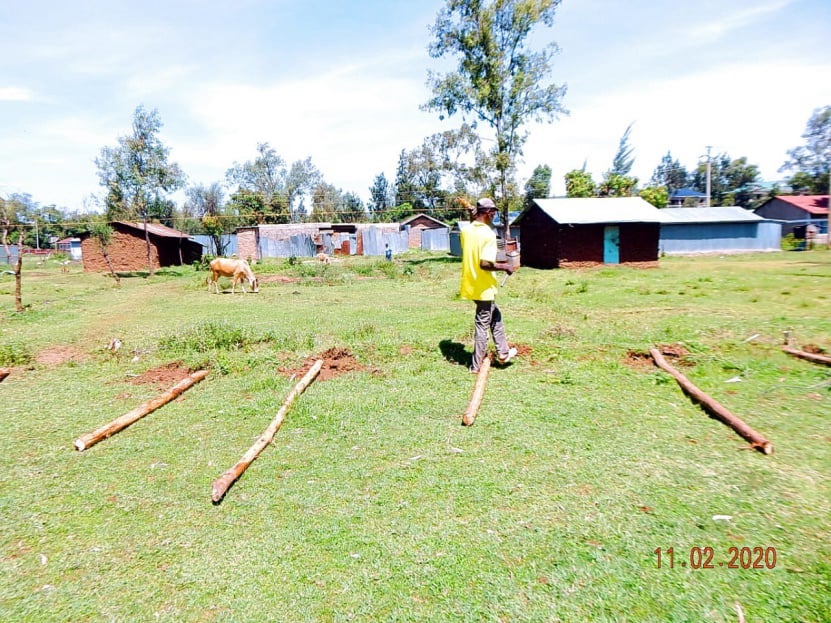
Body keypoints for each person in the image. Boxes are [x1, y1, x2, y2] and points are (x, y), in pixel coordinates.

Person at [459, 197, 518, 373]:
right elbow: (484, 263)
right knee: (482, 325)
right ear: (487, 212)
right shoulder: (488, 234)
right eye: (493, 212)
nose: (494, 215)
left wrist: (473, 216)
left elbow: (473, 231)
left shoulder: (466, 231)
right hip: (483, 287)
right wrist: (505, 266)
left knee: (495, 315)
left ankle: (503, 352)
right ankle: (476, 366)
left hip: (471, 284)